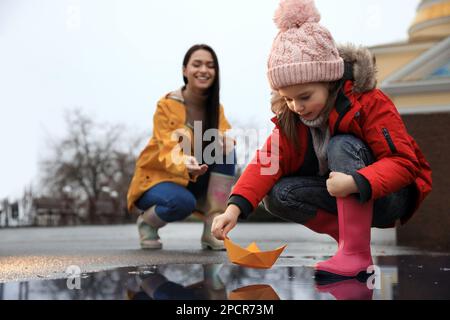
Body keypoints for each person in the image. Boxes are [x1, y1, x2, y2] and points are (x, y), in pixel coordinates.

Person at [212, 0, 432, 279]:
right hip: (344, 196)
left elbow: (404, 163)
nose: (297, 107)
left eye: (305, 96)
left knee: (341, 143)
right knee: (278, 194)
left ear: (329, 81)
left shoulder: (368, 103)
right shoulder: (291, 119)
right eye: (288, 98)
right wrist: (233, 209)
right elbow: (265, 163)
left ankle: (355, 254)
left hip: (389, 196)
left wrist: (357, 181)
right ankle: (350, 243)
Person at [127, 44, 236, 251]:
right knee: (182, 203)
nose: (204, 70)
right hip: (158, 180)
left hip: (195, 178)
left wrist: (225, 141)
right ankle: (147, 222)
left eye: (210, 66)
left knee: (228, 149)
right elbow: (167, 146)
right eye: (197, 64)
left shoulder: (216, 108)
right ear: (185, 70)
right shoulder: (166, 105)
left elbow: (222, 140)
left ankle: (213, 229)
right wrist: (184, 161)